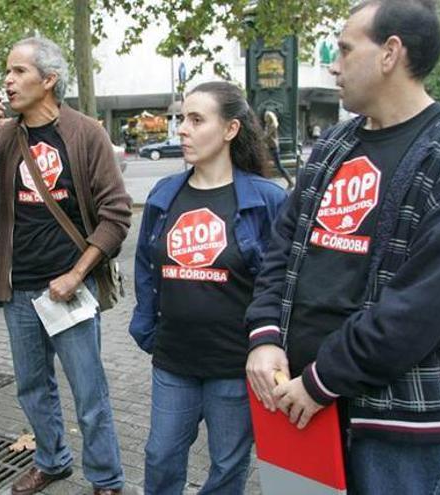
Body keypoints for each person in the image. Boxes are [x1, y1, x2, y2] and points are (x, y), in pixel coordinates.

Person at [245, 1, 440, 493]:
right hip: (300, 401)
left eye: (345, 49)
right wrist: (264, 337)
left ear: (390, 53)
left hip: (396, 422)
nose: (334, 63)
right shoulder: (335, 144)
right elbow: (282, 246)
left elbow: (428, 301)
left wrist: (325, 378)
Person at [0, 37, 130, 495]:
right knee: (32, 388)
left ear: (48, 80)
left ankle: (106, 478)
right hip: (18, 290)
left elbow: (116, 215)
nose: (7, 81)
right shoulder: (6, 135)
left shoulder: (86, 133)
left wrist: (77, 274)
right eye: (7, 71)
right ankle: (52, 461)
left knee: (89, 394)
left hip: (69, 289)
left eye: (18, 72)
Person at [130, 82, 286, 494]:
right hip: (173, 360)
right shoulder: (165, 194)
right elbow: (147, 265)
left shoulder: (267, 199)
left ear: (231, 129)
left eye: (197, 120)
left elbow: (283, 281)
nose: (182, 129)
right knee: (160, 456)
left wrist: (268, 346)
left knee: (228, 467)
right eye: (182, 118)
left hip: (234, 366)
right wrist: (146, 327)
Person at [262, 110, 294, 188]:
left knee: (279, 166)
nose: (264, 118)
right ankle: (264, 181)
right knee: (263, 164)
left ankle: (290, 181)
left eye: (266, 116)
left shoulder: (273, 126)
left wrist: (260, 139)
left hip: (273, 147)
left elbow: (266, 136)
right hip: (269, 147)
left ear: (269, 118)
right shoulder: (268, 125)